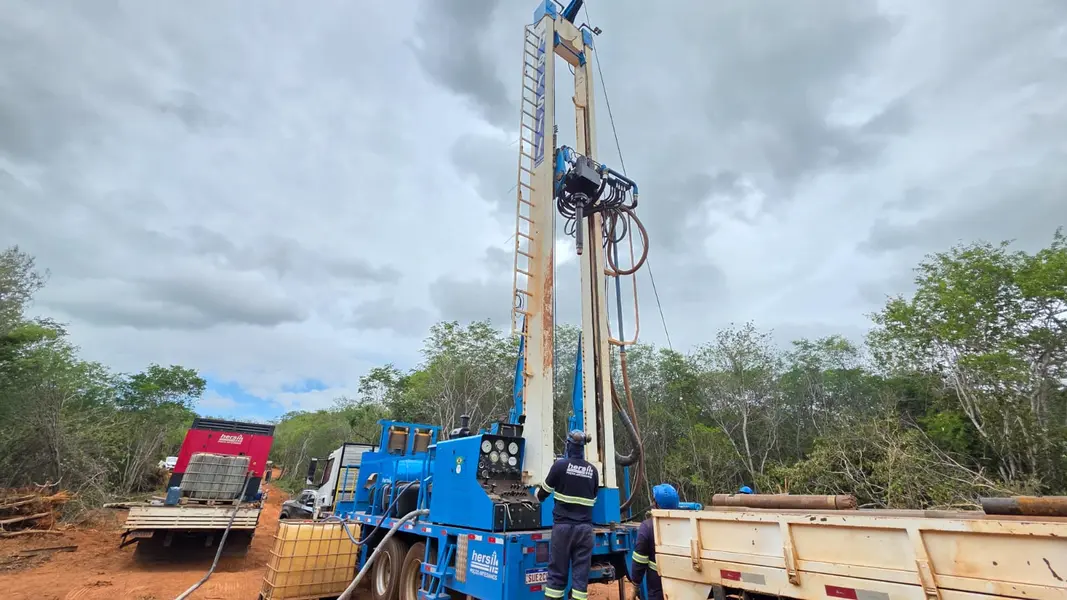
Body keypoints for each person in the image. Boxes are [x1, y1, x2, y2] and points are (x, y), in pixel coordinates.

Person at [536, 430, 599, 600]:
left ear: (568, 445)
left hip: (563, 529)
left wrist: (536, 494)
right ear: (583, 448)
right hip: (585, 530)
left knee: (557, 575)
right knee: (580, 578)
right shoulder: (593, 471)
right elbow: (593, 498)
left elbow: (543, 494)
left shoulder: (560, 466)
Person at [630, 483, 678, 600]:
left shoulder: (648, 527)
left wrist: (635, 583)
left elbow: (639, 560)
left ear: (656, 504)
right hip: (683, 581)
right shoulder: (684, 522)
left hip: (658, 584)